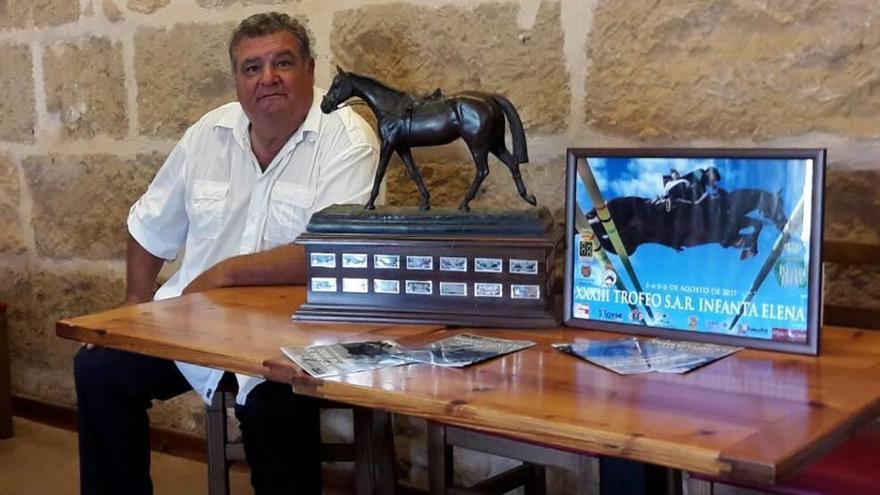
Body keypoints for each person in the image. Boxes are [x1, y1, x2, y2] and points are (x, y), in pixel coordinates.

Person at [73, 12, 378, 495]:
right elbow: (149, 225)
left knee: (277, 410)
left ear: (311, 70)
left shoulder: (348, 138)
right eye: (251, 68)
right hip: (197, 323)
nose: (268, 78)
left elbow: (328, 250)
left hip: (295, 332)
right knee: (99, 369)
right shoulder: (207, 134)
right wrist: (133, 306)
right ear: (237, 79)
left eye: (283, 62)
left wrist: (225, 274)